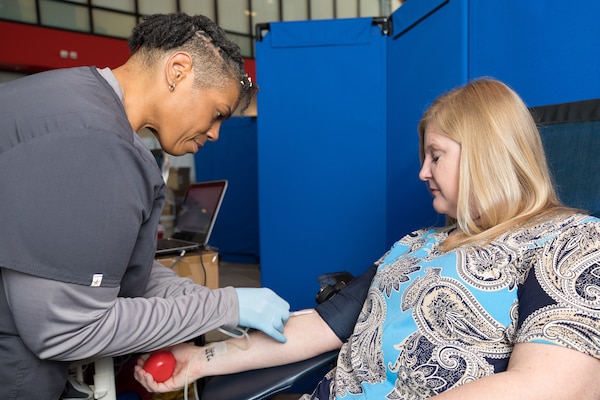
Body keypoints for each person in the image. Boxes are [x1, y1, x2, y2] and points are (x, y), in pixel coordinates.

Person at [134, 78, 600, 399]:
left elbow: (555, 386)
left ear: (484, 154)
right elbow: (315, 328)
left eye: (435, 156)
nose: (423, 172)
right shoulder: (415, 244)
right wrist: (201, 358)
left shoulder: (569, 241)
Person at [0, 13, 291, 400]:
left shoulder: (70, 96)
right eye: (218, 113)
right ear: (178, 70)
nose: (217, 133)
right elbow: (67, 329)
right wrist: (225, 308)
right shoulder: (100, 144)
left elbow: (99, 264)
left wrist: (203, 300)